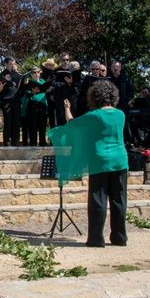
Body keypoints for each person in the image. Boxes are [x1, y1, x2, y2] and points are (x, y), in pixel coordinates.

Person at [48, 80, 128, 247]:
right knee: (118, 200)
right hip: (120, 160)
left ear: (94, 97)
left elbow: (71, 124)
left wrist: (67, 109)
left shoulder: (94, 116)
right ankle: (119, 237)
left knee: (98, 200)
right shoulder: (120, 114)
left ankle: (96, 239)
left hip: (99, 160)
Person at [0, 57, 23, 146]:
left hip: (16, 100)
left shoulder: (18, 74)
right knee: (8, 121)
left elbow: (21, 87)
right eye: (11, 64)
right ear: (6, 64)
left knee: (16, 121)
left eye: (14, 63)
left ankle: (15, 141)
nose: (13, 65)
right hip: (6, 100)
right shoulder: (2, 74)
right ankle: (7, 141)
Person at [23, 67, 48, 146]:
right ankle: (33, 143)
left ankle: (42, 143)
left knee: (42, 126)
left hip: (42, 105)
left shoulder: (43, 81)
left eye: (38, 72)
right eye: (34, 72)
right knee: (32, 126)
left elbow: (48, 91)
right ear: (31, 74)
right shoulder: (28, 82)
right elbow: (26, 93)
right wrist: (32, 92)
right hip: (32, 105)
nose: (36, 74)